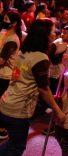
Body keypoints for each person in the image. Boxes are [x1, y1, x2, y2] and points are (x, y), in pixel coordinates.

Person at [0, 19, 65, 156]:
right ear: (45, 34)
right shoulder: (41, 58)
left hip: (7, 101)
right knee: (17, 146)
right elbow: (44, 89)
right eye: (53, 31)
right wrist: (58, 110)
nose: (55, 34)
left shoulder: (24, 50)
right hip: (19, 109)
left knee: (13, 142)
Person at [0, 10, 22, 140]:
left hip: (4, 76)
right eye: (5, 18)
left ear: (14, 23)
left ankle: (2, 130)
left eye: (7, 19)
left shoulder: (13, 40)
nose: (5, 21)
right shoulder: (4, 33)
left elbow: (2, 60)